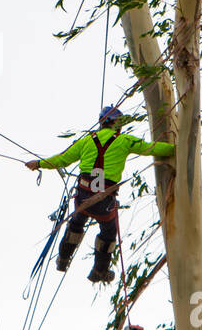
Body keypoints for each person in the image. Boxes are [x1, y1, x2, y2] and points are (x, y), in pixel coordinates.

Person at [25, 106, 176, 283]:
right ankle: (99, 271)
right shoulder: (125, 140)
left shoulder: (86, 141)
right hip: (104, 202)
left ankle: (63, 259)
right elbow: (152, 148)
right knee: (109, 233)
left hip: (83, 197)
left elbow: (61, 159)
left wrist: (39, 163)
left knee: (76, 223)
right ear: (117, 125)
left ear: (101, 122)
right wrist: (177, 149)